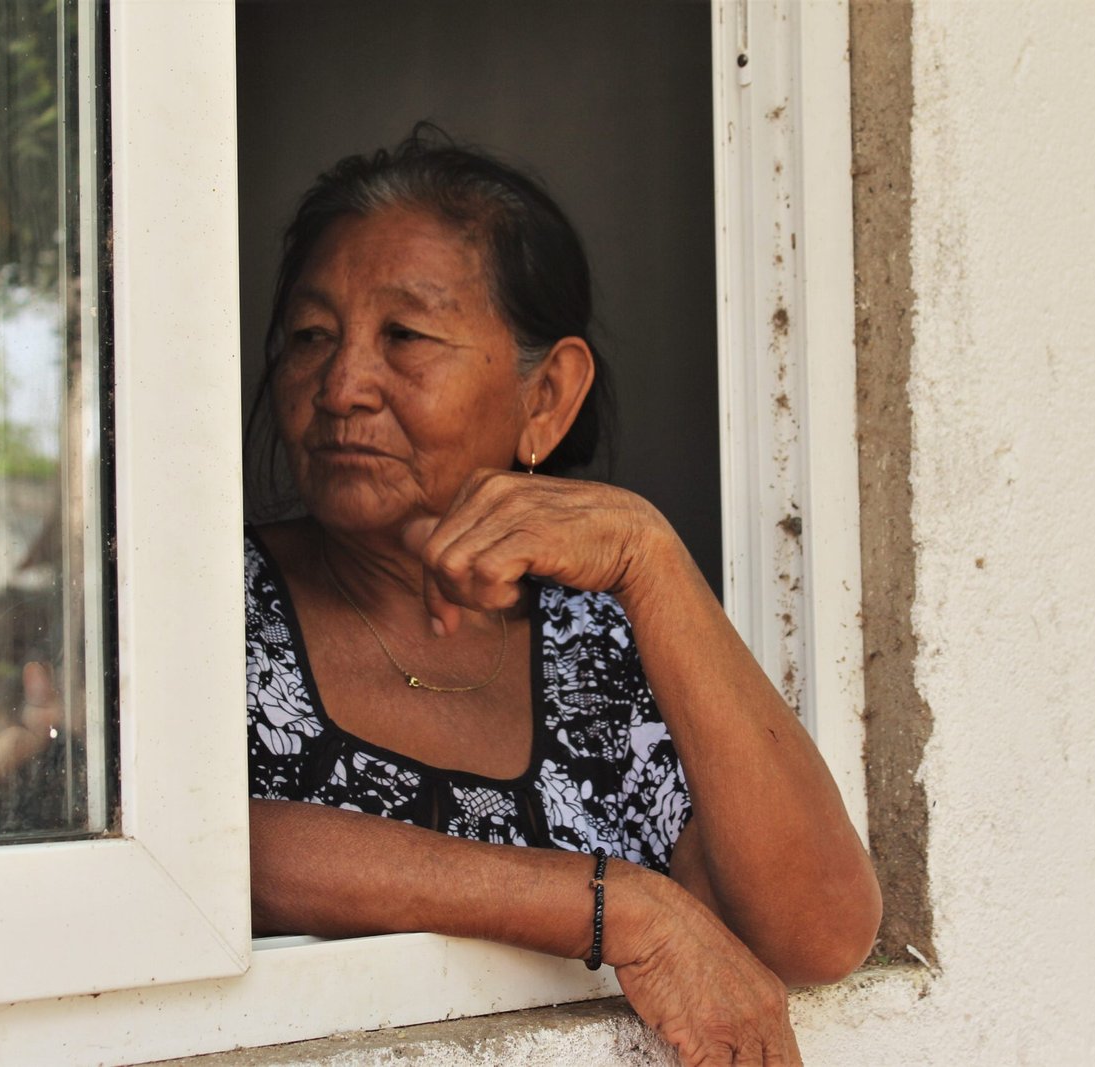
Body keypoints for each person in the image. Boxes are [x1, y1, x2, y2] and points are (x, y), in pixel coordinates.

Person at [244, 131, 882, 1066]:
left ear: (546, 397)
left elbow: (819, 931)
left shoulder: (604, 642)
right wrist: (615, 905)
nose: (341, 386)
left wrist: (647, 552)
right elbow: (216, 849)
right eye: (311, 337)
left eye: (405, 337)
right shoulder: (206, 609)